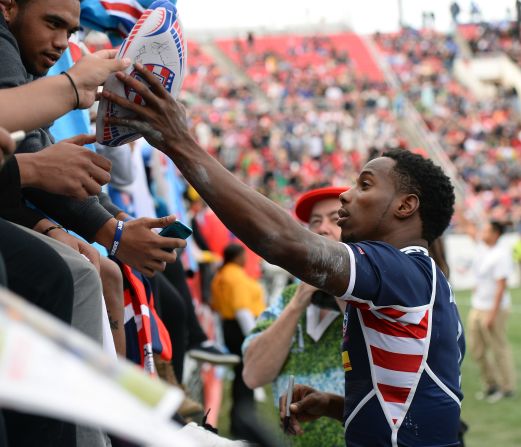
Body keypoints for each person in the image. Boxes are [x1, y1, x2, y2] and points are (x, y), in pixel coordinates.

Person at [103, 65, 466, 446]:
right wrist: (334, 406)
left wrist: (179, 141)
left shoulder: (402, 269)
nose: (346, 194)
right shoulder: (426, 284)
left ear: (406, 206)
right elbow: (417, 408)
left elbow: (282, 241)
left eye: (365, 185)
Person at [242, 186, 347, 447]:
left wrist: (341, 289)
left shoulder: (371, 298)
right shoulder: (289, 298)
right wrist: (298, 301)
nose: (323, 229)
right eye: (315, 222)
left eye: (336, 220)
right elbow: (253, 375)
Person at [211, 243, 265, 439]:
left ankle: (239, 421)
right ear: (236, 257)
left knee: (240, 376)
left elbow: (216, 307)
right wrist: (254, 337)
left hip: (229, 327)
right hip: (241, 328)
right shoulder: (235, 277)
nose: (245, 259)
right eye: (244, 256)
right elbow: (242, 310)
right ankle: (245, 422)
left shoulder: (221, 275)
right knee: (245, 376)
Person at [467, 221, 516, 402]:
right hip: (478, 306)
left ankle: (506, 387)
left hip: (494, 309)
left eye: (486, 229)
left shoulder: (501, 255)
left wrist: (492, 314)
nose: (482, 232)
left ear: (495, 233)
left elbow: (501, 287)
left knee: (498, 349)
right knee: (476, 349)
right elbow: (469, 227)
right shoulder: (483, 249)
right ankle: (490, 385)